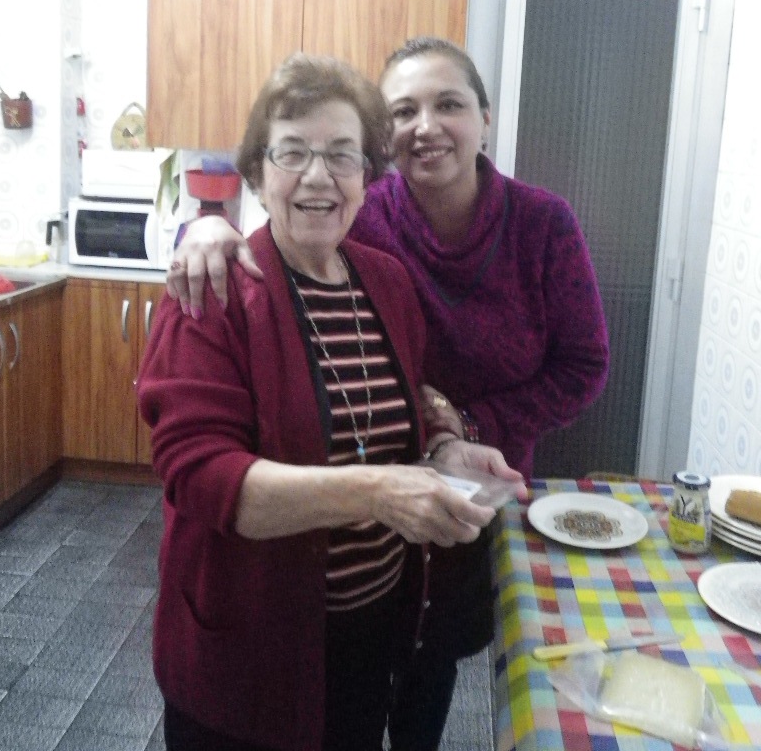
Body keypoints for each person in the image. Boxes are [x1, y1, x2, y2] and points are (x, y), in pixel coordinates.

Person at [166, 37, 610, 750]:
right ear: (256, 168)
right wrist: (204, 224)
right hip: (261, 639)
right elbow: (199, 475)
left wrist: (449, 442)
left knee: (415, 695)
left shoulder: (389, 280)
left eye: (342, 155)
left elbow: (403, 411)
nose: (320, 175)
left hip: (391, 600)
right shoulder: (222, 291)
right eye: (292, 153)